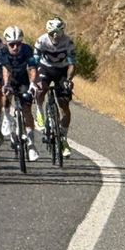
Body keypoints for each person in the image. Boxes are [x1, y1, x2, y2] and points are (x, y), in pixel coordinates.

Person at [33, 17, 77, 157]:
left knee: (64, 104)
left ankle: (63, 139)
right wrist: (35, 79)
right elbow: (34, 61)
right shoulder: (41, 41)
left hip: (62, 71)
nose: (55, 36)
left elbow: (72, 64)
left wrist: (69, 79)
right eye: (52, 33)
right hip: (45, 69)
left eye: (58, 33)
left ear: (62, 31)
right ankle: (39, 112)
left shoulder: (68, 42)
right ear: (48, 32)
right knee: (41, 89)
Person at [0, 25, 39, 160]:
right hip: (8, 78)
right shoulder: (2, 51)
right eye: (12, 44)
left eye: (18, 44)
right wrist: (7, 85)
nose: (15, 47)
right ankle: (7, 118)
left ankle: (32, 145)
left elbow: (32, 68)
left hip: (23, 80)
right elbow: (6, 69)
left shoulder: (27, 50)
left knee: (27, 109)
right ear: (7, 43)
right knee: (5, 95)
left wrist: (33, 83)